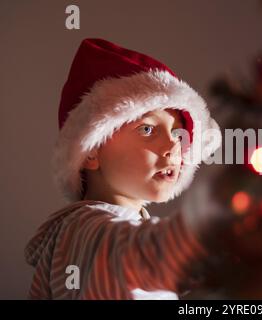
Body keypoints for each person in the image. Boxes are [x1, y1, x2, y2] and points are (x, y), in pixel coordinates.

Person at [24, 38, 223, 299]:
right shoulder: (85, 228)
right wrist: (226, 225)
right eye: (148, 129)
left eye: (177, 133)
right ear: (91, 151)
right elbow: (140, 254)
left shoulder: (131, 228)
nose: (172, 146)